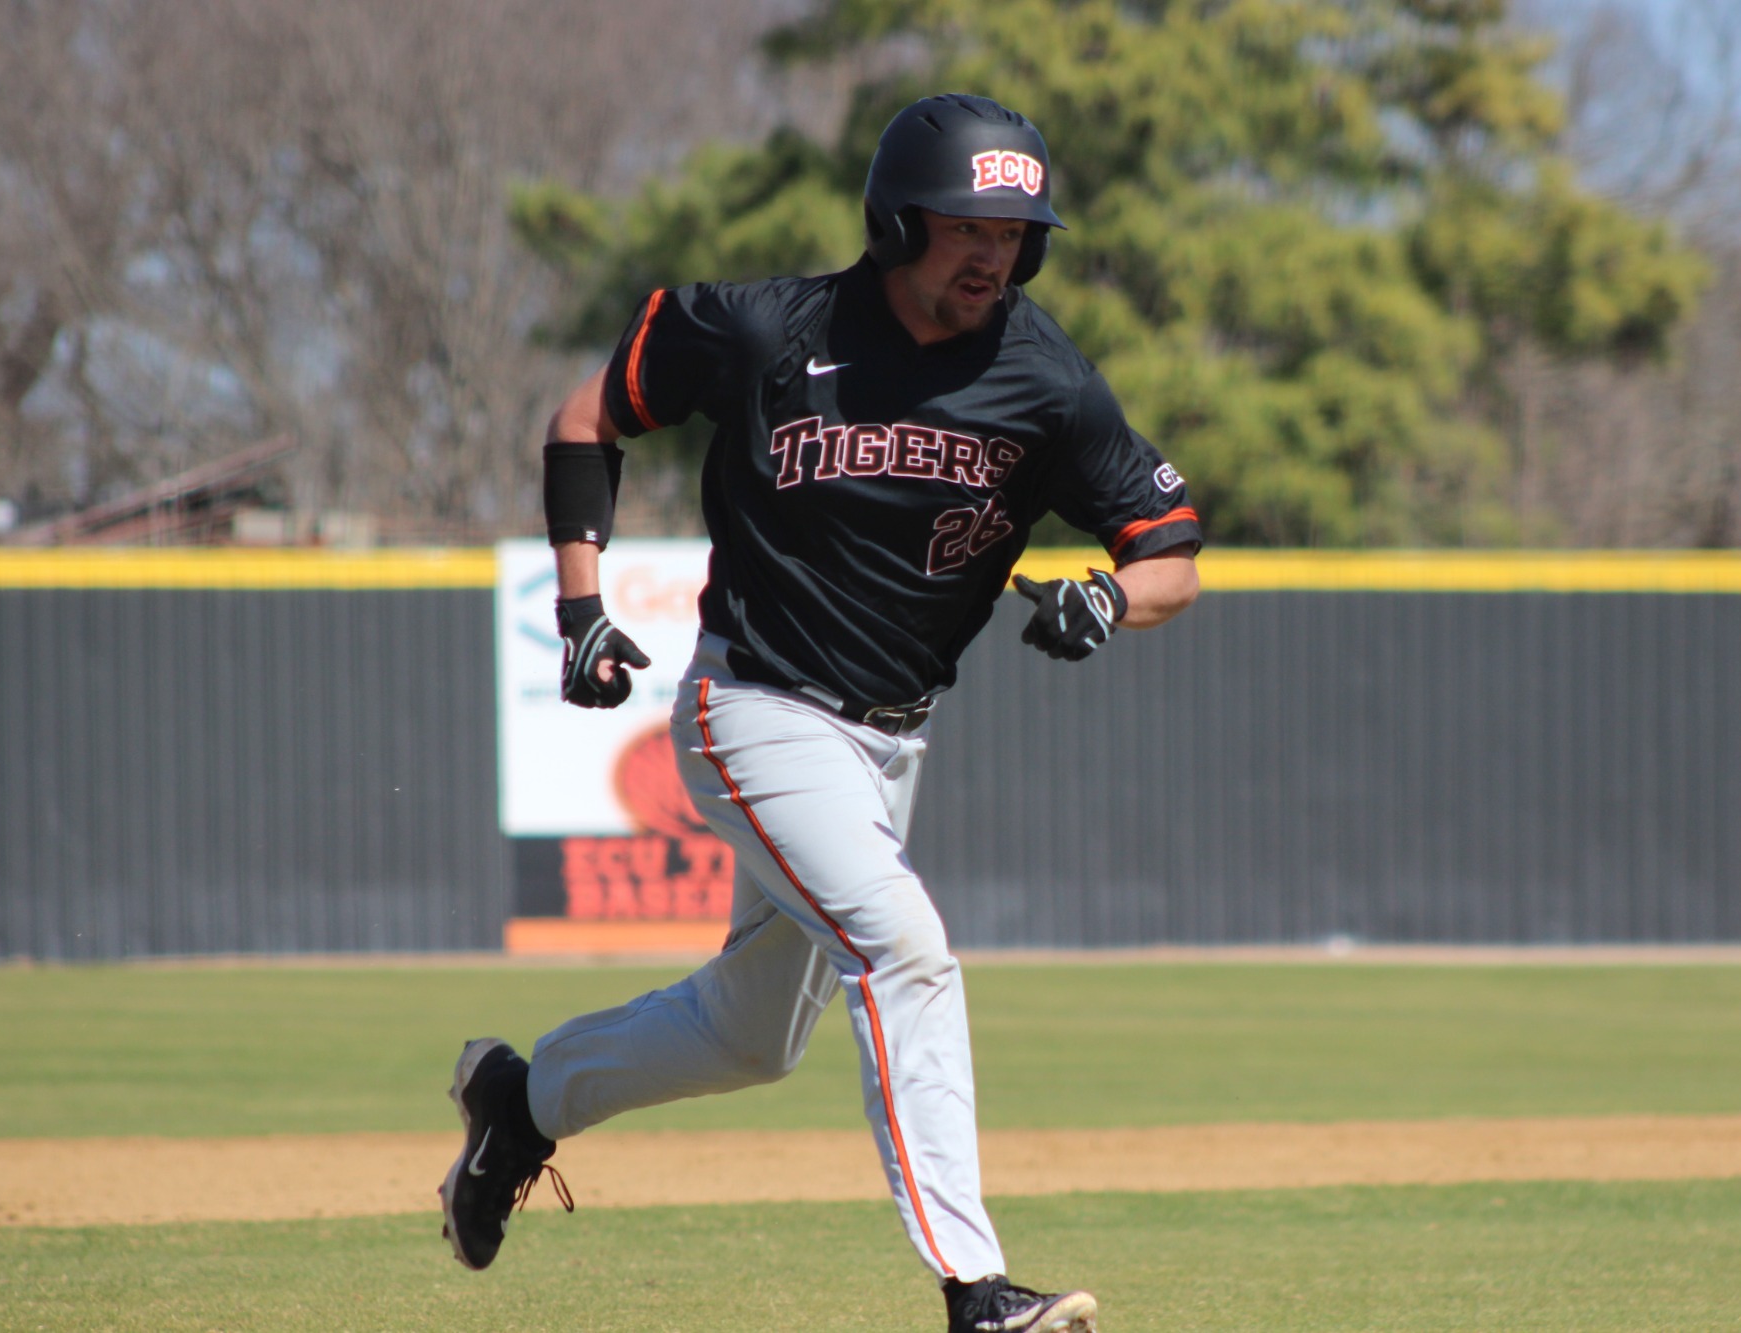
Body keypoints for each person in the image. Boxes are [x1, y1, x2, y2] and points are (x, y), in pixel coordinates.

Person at [439, 92, 1201, 1333]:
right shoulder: (764, 330)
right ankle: (974, 1289)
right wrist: (578, 606)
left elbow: (1170, 552)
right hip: (753, 708)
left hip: (891, 740)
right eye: (966, 227)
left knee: (751, 1039)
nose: (992, 254)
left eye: (1012, 233)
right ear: (897, 221)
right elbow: (585, 419)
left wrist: (1111, 598)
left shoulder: (1043, 375)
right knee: (905, 949)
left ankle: (519, 1104)